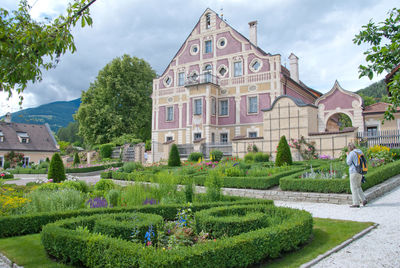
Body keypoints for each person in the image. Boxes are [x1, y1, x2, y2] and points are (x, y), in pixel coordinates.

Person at [346, 142, 367, 208]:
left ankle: (356, 203)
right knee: (358, 186)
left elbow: (348, 163)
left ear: (349, 148)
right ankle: (363, 199)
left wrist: (347, 155)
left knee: (353, 187)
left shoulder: (352, 153)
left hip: (353, 172)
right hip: (360, 171)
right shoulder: (360, 151)